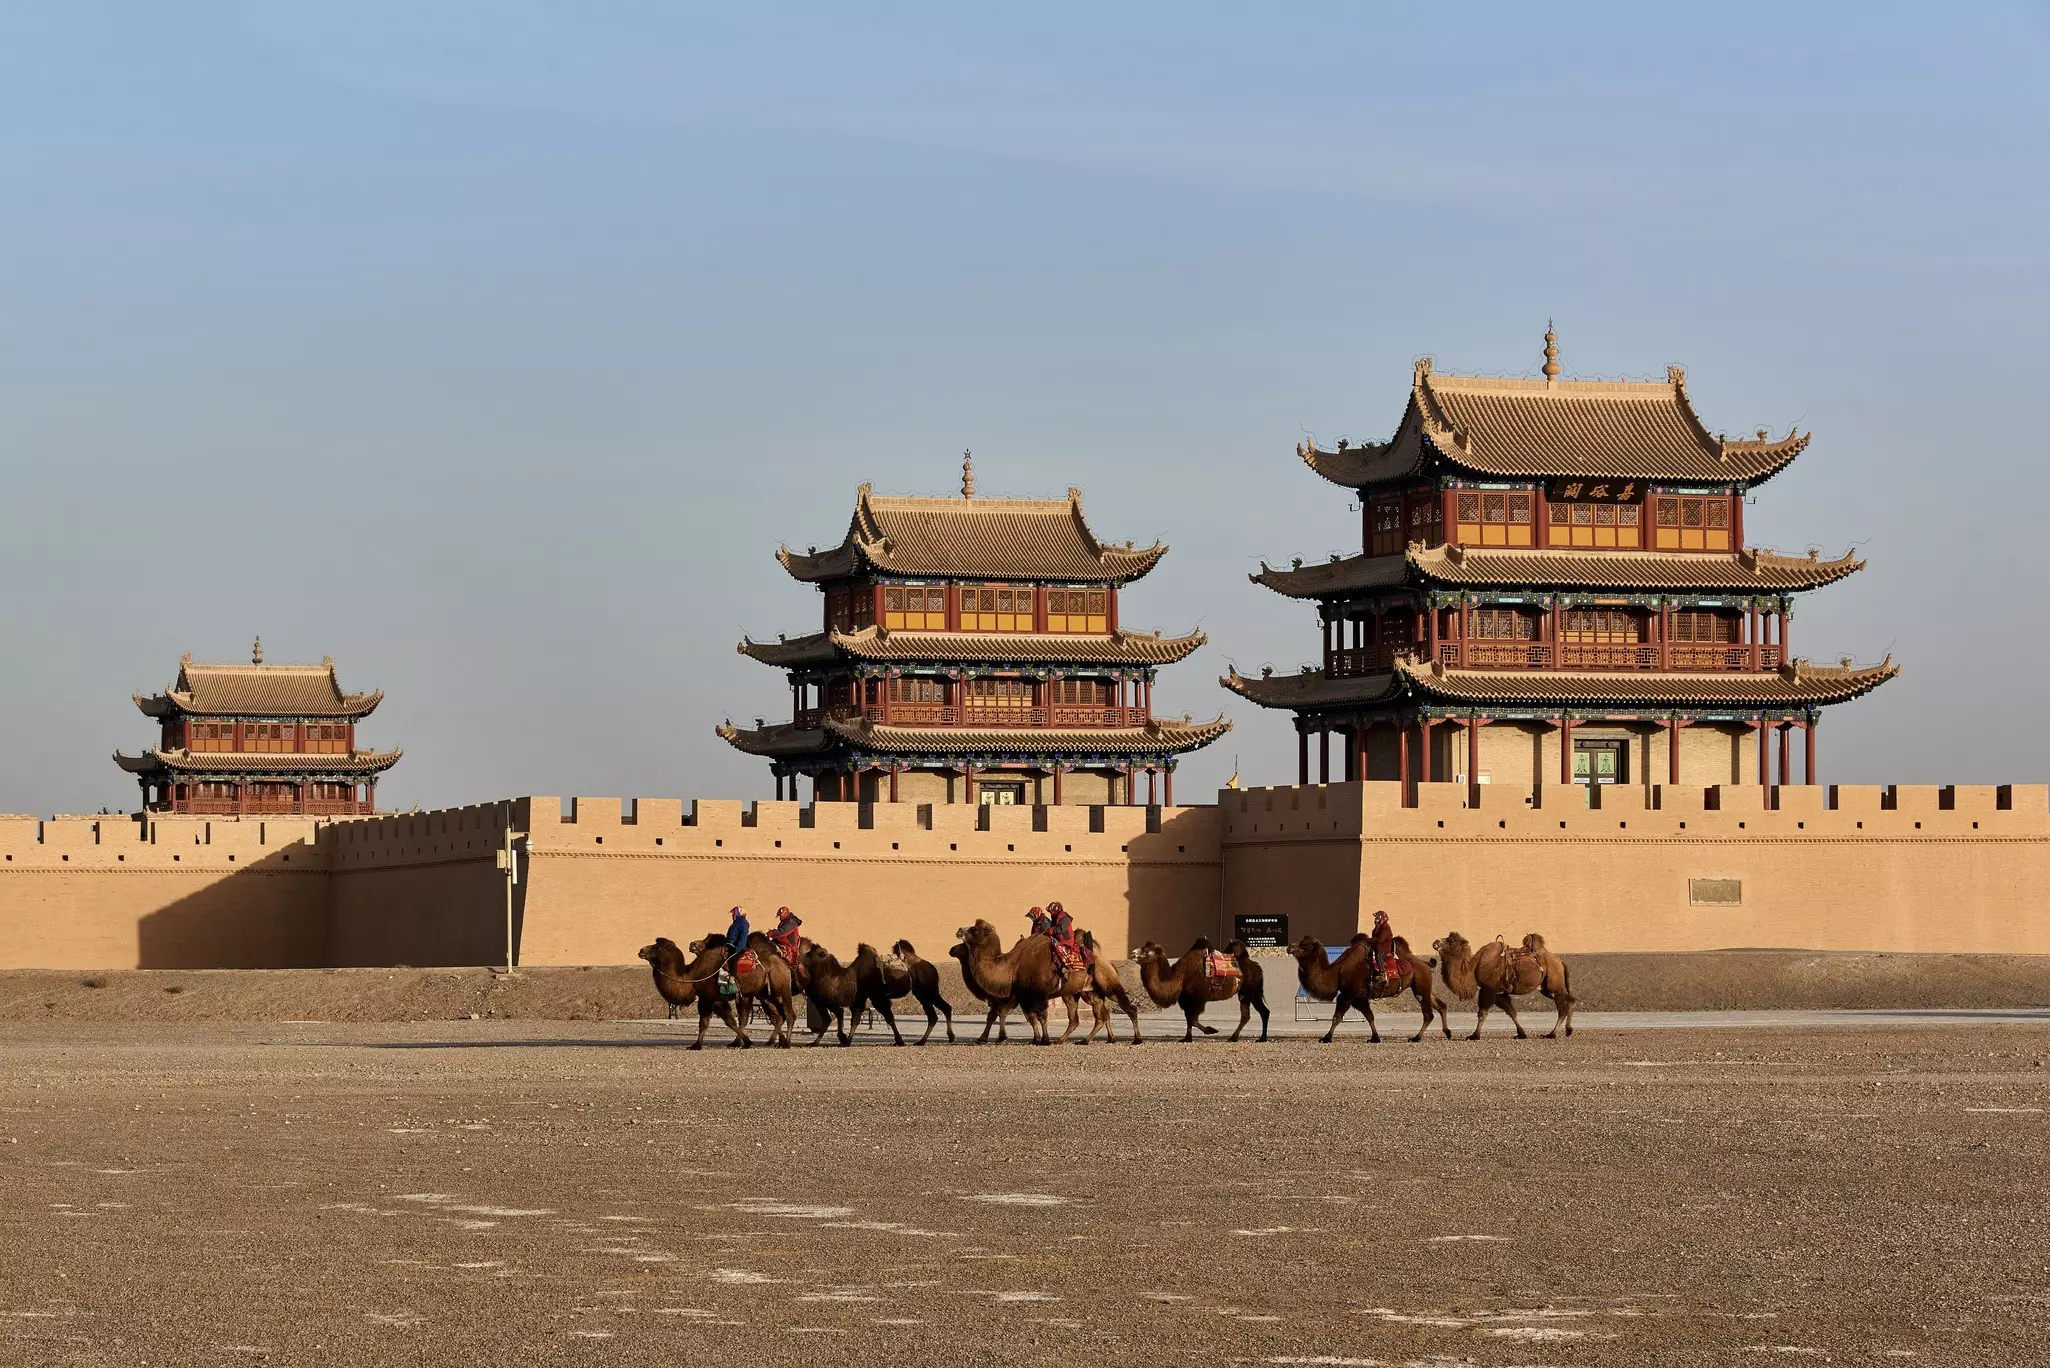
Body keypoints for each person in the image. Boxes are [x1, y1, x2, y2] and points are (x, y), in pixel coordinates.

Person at [718, 906, 751, 991]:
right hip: (730, 946)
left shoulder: (743, 923)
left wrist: (738, 948)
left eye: (733, 913)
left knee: (732, 959)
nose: (732, 915)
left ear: (738, 913)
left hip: (737, 948)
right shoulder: (736, 923)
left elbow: (743, 936)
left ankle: (734, 981)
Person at [1369, 909, 1397, 982]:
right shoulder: (1378, 927)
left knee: (1378, 957)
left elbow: (1380, 939)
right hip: (1378, 947)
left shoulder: (1385, 928)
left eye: (1377, 918)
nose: (1375, 920)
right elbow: (1374, 936)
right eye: (1376, 918)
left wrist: (1369, 940)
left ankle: (1382, 973)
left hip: (1384, 948)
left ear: (1382, 919)